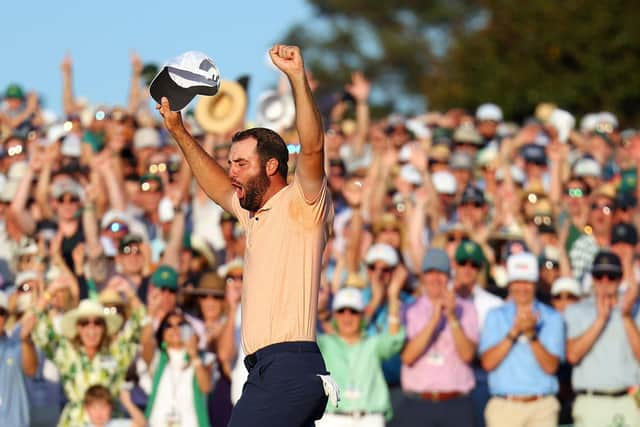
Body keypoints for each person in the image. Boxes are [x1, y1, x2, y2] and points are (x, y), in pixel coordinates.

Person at [157, 44, 335, 426]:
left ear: (272, 165)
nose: (232, 172)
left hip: (289, 365)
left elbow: (315, 145)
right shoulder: (251, 212)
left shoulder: (302, 202)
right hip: (267, 370)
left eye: (240, 163)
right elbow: (215, 185)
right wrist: (179, 131)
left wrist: (296, 78)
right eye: (230, 163)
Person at [30, 286, 148, 427]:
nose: (91, 329)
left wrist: (131, 294)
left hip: (111, 421)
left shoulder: (117, 353)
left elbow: (138, 328)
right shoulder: (66, 354)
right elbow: (42, 333)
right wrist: (48, 294)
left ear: (104, 327)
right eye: (85, 323)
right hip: (74, 422)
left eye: (97, 323)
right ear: (78, 328)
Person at [395, 248, 479, 427]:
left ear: (448, 276)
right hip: (417, 403)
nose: (435, 278)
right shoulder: (410, 309)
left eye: (440, 272)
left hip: (456, 403)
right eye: (430, 272)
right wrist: (434, 320)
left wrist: (452, 317)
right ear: (423, 277)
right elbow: (408, 356)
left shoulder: (466, 308)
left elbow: (467, 355)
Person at [479, 252, 565, 427]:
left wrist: (532, 336)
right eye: (518, 281)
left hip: (542, 408)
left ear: (535, 284)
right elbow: (488, 363)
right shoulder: (495, 316)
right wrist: (514, 332)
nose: (522, 288)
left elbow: (551, 366)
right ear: (510, 284)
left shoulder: (552, 318)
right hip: (504, 406)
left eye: (527, 282)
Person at [565, 251, 640, 427]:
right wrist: (600, 320)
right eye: (599, 276)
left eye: (611, 276)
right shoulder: (576, 311)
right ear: (592, 278)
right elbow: (573, 355)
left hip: (628, 400)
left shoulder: (634, 311)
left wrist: (626, 317)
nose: (605, 282)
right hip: (591, 401)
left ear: (620, 279)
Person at [316, 285, 404, 426]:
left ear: (362, 315)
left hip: (369, 419)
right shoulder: (324, 344)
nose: (347, 316)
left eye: (353, 311)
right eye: (341, 311)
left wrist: (393, 298)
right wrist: (316, 309)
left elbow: (394, 341)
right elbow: (302, 339)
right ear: (334, 315)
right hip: (332, 419)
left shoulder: (373, 344)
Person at [143, 308, 214, 427]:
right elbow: (145, 342)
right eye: (168, 325)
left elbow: (206, 387)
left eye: (180, 324)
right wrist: (151, 313)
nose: (175, 329)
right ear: (162, 333)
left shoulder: (204, 358)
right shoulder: (157, 357)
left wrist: (194, 355)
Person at [0, 290, 38, 427]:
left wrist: (25, 340)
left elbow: (31, 369)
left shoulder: (17, 346)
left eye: (0, 312)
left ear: (6, 317)